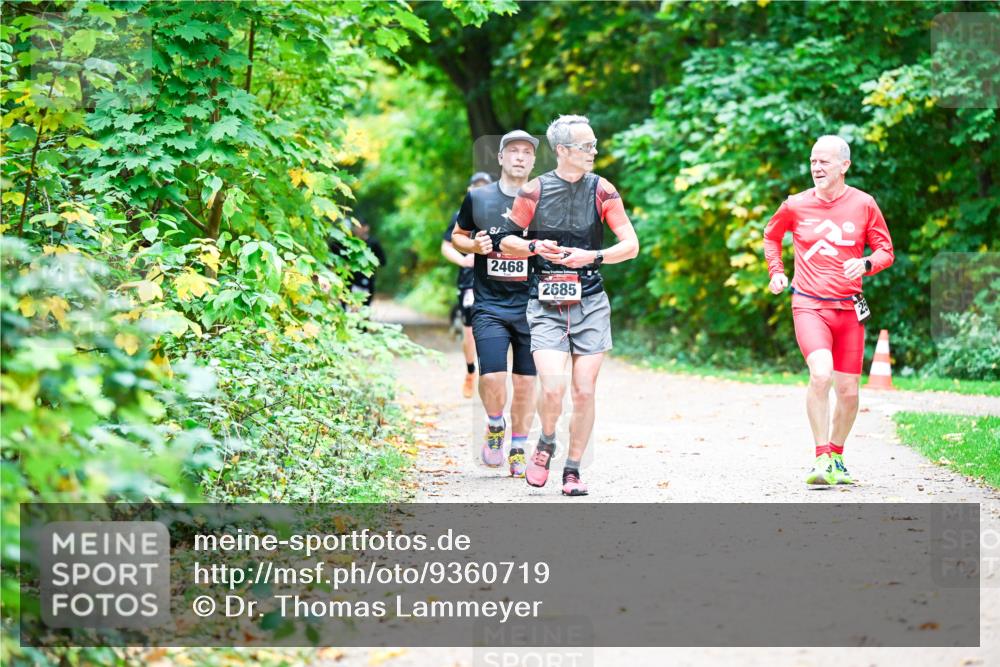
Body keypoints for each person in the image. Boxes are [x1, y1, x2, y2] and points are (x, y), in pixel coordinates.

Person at [500, 115, 639, 496]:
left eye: (594, 145)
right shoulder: (534, 191)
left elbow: (630, 245)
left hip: (591, 301)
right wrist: (533, 246)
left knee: (584, 391)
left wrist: (591, 257)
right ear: (562, 151)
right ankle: (546, 441)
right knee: (553, 388)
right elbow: (507, 242)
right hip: (545, 302)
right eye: (586, 146)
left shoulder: (603, 189)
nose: (594, 152)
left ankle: (573, 470)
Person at [764, 135, 894, 486]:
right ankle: (821, 456)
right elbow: (771, 236)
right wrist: (777, 271)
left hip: (850, 309)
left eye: (824, 162)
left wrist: (866, 264)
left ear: (844, 166)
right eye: (812, 161)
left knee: (849, 392)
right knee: (821, 375)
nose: (816, 168)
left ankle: (837, 455)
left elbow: (885, 251)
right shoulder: (795, 205)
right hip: (809, 304)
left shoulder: (864, 204)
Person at [450, 130, 539, 477]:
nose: (520, 156)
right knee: (493, 377)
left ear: (533, 161)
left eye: (527, 152)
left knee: (528, 382)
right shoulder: (479, 198)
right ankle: (495, 424)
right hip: (489, 304)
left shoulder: (545, 198)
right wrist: (474, 247)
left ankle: (518, 445)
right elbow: (458, 236)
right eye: (513, 151)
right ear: (501, 158)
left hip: (532, 306)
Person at [442, 172, 492, 398]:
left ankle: (490, 375)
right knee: (470, 332)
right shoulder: (460, 215)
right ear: (470, 190)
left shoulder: (502, 214)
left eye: (485, 188)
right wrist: (463, 259)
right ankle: (471, 371)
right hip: (469, 281)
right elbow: (446, 246)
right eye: (476, 187)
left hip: (494, 281)